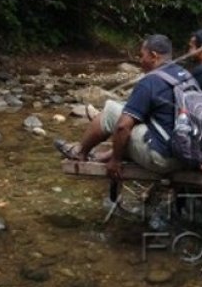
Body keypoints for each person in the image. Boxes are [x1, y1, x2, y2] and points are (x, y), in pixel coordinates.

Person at [55, 34, 192, 180]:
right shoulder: (186, 75)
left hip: (164, 160)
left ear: (153, 56)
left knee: (110, 110)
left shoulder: (150, 81)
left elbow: (122, 127)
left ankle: (80, 152)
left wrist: (116, 160)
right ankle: (101, 155)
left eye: (142, 56)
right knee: (129, 112)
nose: (140, 61)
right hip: (188, 156)